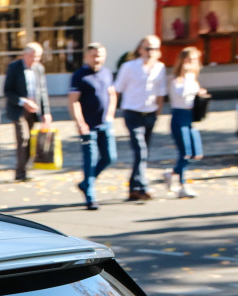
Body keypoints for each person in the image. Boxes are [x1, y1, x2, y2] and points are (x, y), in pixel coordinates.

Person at [114, 35, 167, 201]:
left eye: (155, 48)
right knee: (140, 151)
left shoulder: (160, 67)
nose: (151, 52)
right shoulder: (129, 67)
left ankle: (133, 188)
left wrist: (157, 113)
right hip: (132, 112)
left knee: (144, 153)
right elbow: (117, 90)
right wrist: (112, 112)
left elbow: (161, 93)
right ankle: (142, 186)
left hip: (150, 113)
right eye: (147, 48)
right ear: (140, 49)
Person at [68, 42, 117, 210]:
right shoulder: (80, 76)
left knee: (110, 157)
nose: (97, 58)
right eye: (94, 55)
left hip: (105, 123)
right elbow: (73, 102)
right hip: (88, 126)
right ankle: (90, 195)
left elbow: (112, 94)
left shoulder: (107, 73)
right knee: (89, 160)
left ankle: (85, 183)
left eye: (100, 55)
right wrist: (81, 124)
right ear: (86, 56)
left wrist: (110, 115)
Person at [3, 42, 51, 182]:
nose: (35, 60)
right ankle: (20, 172)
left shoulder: (39, 68)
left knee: (30, 140)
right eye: (32, 56)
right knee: (23, 138)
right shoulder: (14, 67)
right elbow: (7, 91)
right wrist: (23, 102)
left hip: (34, 110)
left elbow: (43, 91)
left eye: (38, 57)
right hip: (18, 109)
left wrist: (46, 112)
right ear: (24, 55)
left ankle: (24, 169)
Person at [165, 47, 208, 198]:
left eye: (195, 60)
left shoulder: (192, 78)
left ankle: (172, 173)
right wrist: (185, 75)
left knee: (196, 153)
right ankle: (182, 185)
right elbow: (180, 94)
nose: (192, 64)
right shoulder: (175, 79)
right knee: (185, 152)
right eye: (189, 60)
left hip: (190, 117)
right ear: (182, 61)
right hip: (178, 116)